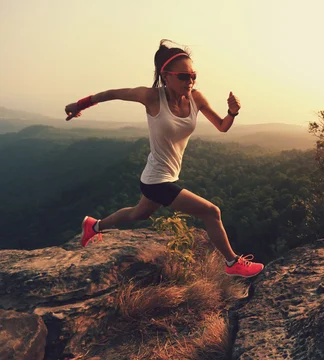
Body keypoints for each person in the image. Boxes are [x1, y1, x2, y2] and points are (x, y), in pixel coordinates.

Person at [64, 39, 264, 278]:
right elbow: (112, 93)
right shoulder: (151, 97)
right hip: (156, 181)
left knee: (138, 214)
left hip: (162, 176)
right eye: (183, 76)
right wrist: (78, 105)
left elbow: (222, 126)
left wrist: (232, 112)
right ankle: (233, 263)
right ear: (165, 75)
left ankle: (93, 225)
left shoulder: (196, 98)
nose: (190, 81)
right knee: (212, 212)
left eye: (193, 76)